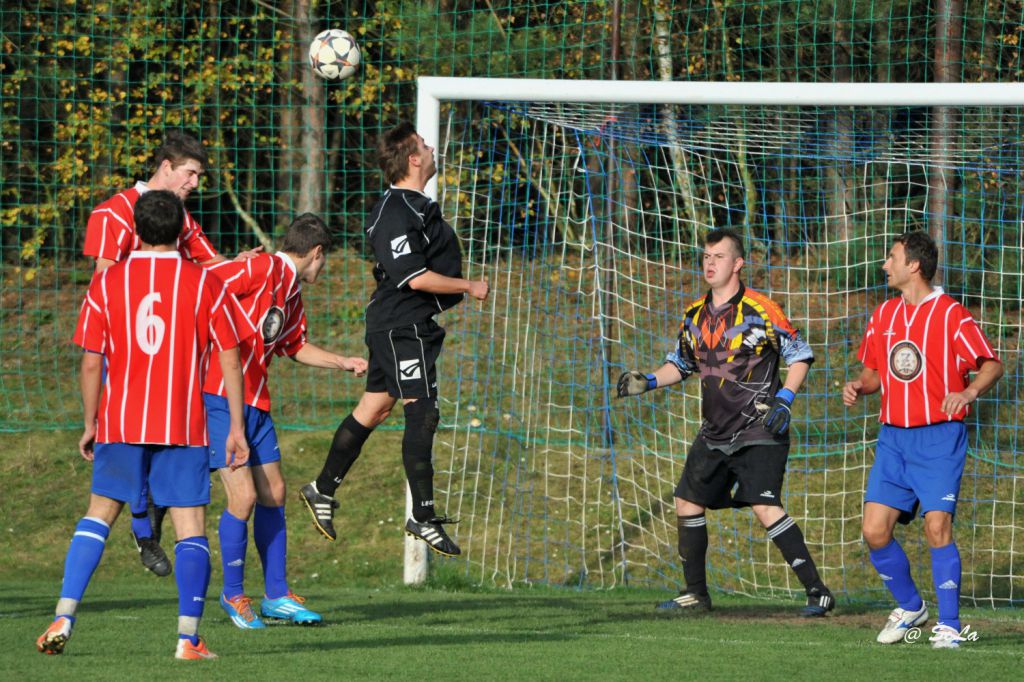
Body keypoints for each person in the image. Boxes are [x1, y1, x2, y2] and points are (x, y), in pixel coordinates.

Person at [37, 190, 253, 660]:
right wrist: (236, 427)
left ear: (136, 229)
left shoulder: (107, 282)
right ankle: (188, 639)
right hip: (183, 426)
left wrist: (90, 421)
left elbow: (91, 361)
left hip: (120, 422)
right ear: (181, 230)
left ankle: (64, 614)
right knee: (189, 527)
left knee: (99, 514)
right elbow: (230, 357)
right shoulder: (204, 282)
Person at [617, 228, 835, 617]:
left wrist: (785, 399)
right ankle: (696, 595)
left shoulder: (762, 309)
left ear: (738, 264)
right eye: (706, 256)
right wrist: (647, 381)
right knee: (687, 502)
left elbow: (800, 354)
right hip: (714, 432)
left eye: (719, 256)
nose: (710, 263)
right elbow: (681, 364)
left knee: (764, 506)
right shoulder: (694, 315)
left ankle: (818, 592)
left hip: (759, 428)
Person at [299, 122, 489, 556]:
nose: (432, 147)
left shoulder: (413, 206)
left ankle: (321, 489)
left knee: (376, 407)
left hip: (404, 323)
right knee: (422, 412)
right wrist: (468, 285)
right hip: (401, 326)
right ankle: (423, 516)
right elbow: (414, 277)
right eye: (424, 144)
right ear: (414, 159)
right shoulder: (395, 210)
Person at [82, 131, 256, 576]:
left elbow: (211, 266)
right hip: (128, 356)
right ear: (165, 167)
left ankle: (148, 523)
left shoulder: (181, 218)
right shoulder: (112, 212)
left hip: (173, 356)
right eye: (190, 173)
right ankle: (144, 531)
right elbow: (104, 278)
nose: (195, 183)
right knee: (131, 458)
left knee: (165, 448)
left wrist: (246, 265)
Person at [202, 214, 367, 629]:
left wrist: (342, 361)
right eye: (325, 260)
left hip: (256, 400)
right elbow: (204, 281)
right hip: (218, 396)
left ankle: (276, 595)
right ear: (316, 253)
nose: (323, 268)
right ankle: (233, 593)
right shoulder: (260, 267)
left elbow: (294, 345)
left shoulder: (290, 291)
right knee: (243, 498)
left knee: (274, 493)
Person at [843, 231, 1002, 649]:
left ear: (913, 265)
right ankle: (911, 606)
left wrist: (969, 392)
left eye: (891, 257)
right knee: (874, 531)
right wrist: (859, 386)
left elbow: (991, 364)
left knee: (937, 527)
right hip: (893, 438)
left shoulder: (951, 315)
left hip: (938, 438)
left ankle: (949, 625)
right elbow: (873, 374)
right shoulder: (883, 315)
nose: (885, 265)